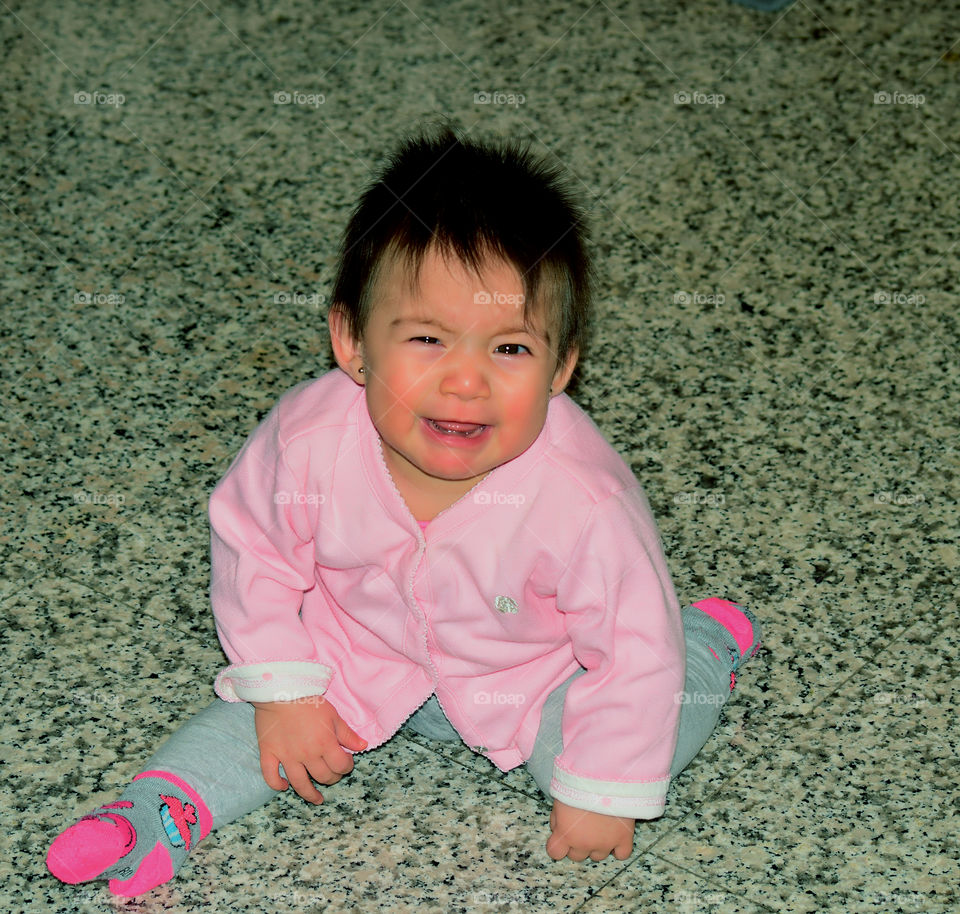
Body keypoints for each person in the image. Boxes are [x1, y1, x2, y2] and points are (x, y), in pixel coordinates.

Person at [46, 126, 761, 897]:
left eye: (510, 350)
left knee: (605, 751)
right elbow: (254, 547)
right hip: (359, 647)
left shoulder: (584, 499)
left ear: (563, 366)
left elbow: (628, 646)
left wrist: (603, 793)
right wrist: (286, 692)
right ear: (352, 342)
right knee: (262, 717)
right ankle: (153, 813)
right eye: (428, 339)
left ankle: (708, 643)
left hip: (533, 672)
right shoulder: (309, 439)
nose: (465, 383)